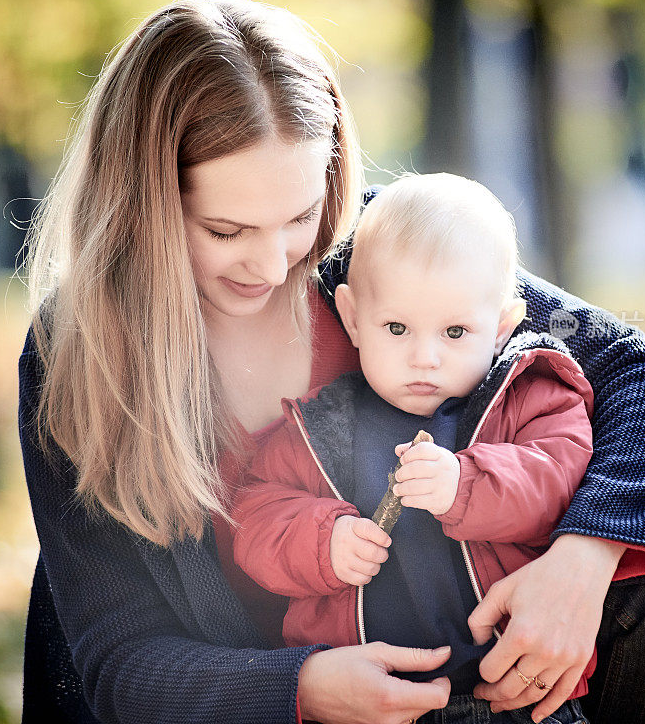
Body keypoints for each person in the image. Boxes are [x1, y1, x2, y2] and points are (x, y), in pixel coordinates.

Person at [18, 0, 645, 724]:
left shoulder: (377, 253)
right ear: (143, 204)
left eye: (301, 217)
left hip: (462, 660)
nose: (274, 265)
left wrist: (581, 562)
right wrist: (302, 690)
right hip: (246, 699)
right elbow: (123, 667)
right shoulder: (78, 355)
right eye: (225, 229)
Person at [231, 173, 607, 724]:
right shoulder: (316, 428)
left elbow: (559, 481)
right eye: (398, 327)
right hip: (362, 698)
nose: (424, 357)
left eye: (455, 332)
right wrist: (321, 540)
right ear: (355, 318)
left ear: (502, 326)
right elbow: (256, 515)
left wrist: (467, 483)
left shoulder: (530, 397)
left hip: (508, 687)